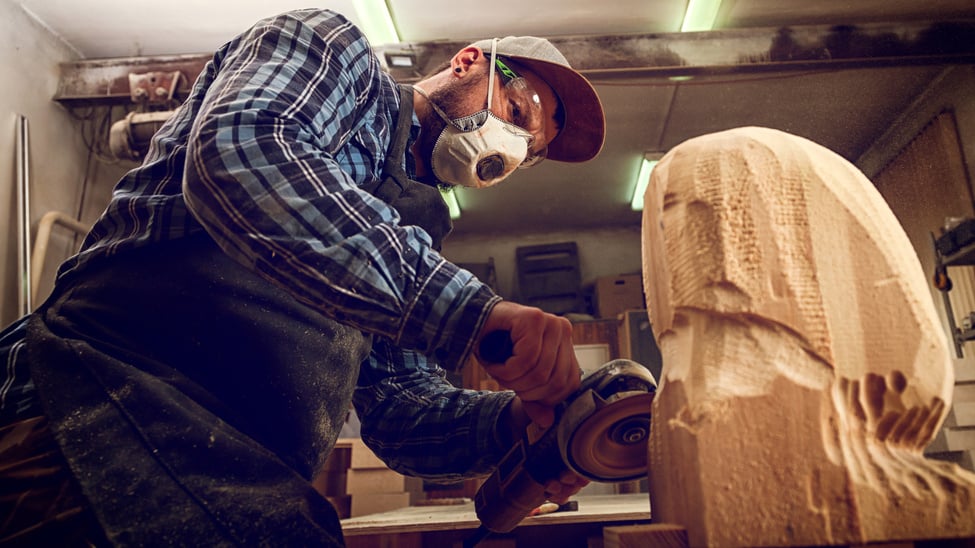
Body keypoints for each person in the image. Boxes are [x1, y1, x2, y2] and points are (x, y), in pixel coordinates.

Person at [0, 8, 605, 546]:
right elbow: (242, 155)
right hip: (90, 400)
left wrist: (518, 422)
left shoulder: (415, 235)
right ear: (470, 62)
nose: (515, 146)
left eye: (532, 148)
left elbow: (400, 411)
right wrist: (468, 314)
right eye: (517, 113)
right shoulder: (333, 52)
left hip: (236, 467)